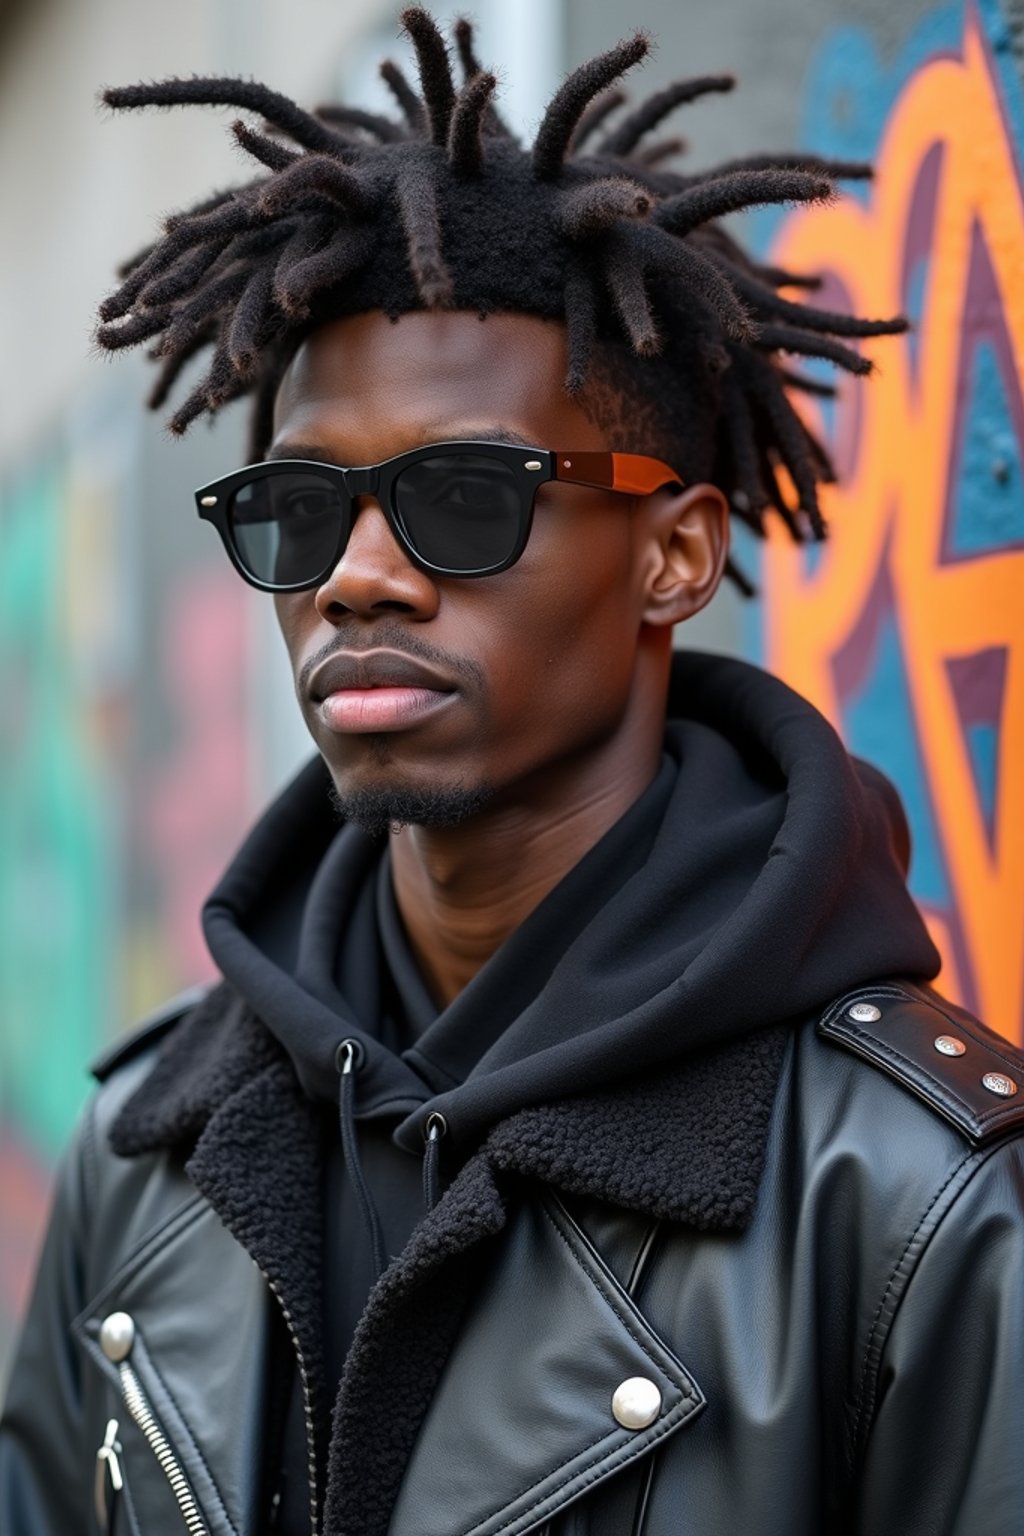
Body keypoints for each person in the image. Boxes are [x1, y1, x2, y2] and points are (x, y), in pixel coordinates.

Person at [3, 11, 1023, 1534]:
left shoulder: (909, 1198)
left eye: (461, 495)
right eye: (297, 510)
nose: (355, 580)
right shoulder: (146, 1148)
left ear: (674, 555)